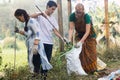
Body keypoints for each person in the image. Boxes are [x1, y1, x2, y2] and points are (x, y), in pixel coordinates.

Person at [30, 0, 65, 79]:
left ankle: (44, 77)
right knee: (36, 61)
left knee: (46, 62)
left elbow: (55, 31)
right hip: (39, 42)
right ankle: (35, 76)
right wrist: (41, 14)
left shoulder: (53, 19)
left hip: (49, 43)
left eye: (54, 10)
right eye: (52, 9)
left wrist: (61, 38)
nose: (53, 11)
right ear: (47, 7)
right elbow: (29, 16)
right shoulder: (39, 15)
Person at [14, 9, 52, 78]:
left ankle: (40, 76)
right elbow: (28, 34)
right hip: (31, 46)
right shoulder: (27, 22)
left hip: (36, 46)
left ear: (22, 15)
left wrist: (36, 45)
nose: (19, 20)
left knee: (36, 62)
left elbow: (37, 32)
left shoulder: (32, 21)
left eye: (19, 18)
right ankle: (36, 76)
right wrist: (18, 31)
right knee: (34, 62)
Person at [68, 3, 97, 74]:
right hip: (79, 34)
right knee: (81, 53)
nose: (78, 14)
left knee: (91, 53)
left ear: (83, 11)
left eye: (80, 12)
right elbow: (71, 29)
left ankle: (93, 69)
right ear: (75, 10)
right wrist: (69, 39)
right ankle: (84, 69)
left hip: (90, 35)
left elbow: (87, 31)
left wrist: (81, 42)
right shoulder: (72, 16)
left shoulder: (86, 17)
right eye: (77, 12)